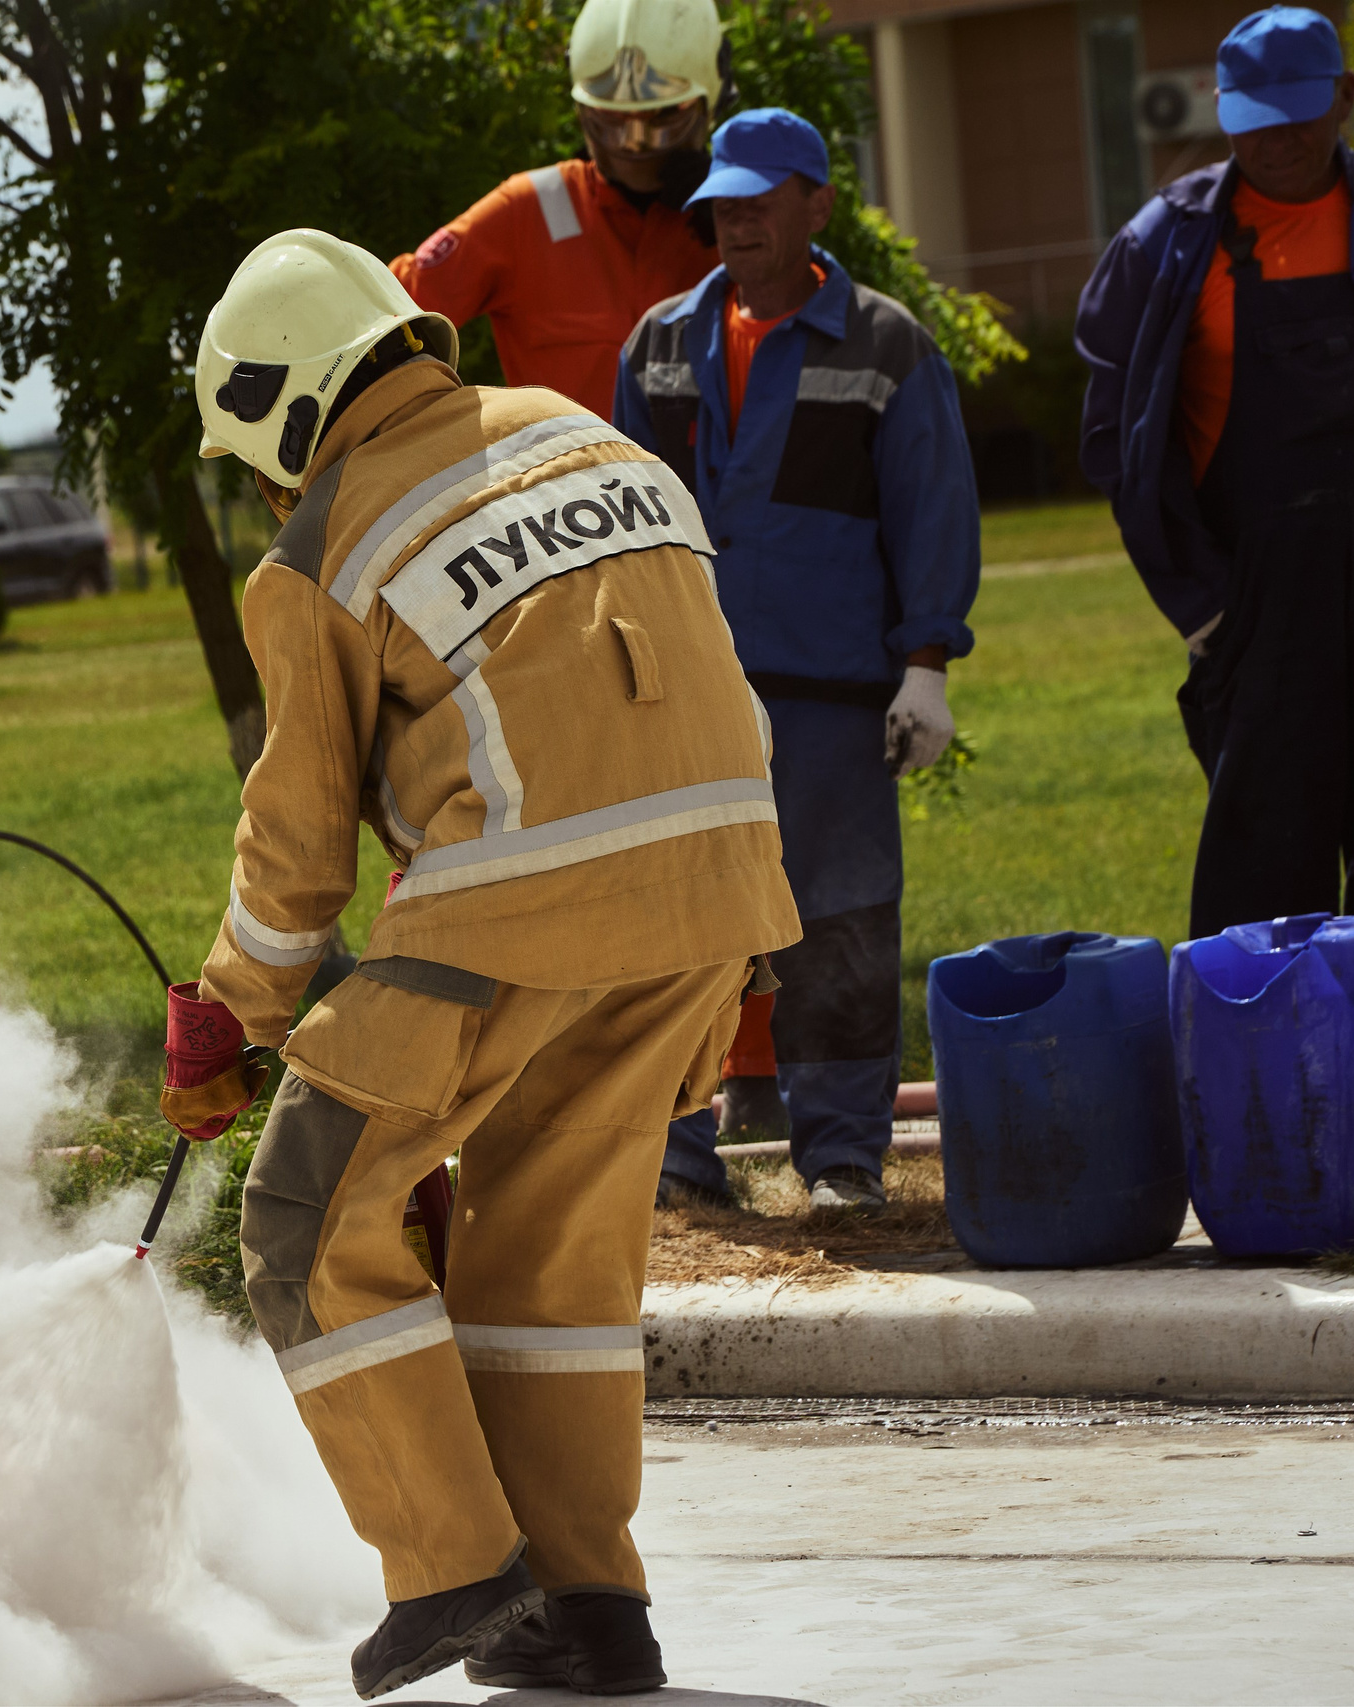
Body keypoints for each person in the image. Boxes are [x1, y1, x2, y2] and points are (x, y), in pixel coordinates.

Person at [161, 227, 798, 1699]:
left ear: (282, 407)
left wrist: (229, 1020)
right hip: (718, 896)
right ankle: (587, 1612)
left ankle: (451, 1566)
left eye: (256, 465)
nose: (267, 495)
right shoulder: (581, 434)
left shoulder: (321, 549)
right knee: (541, 1261)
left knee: (306, 1216)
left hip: (524, 904)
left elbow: (297, 851)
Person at [615, 109, 980, 1212]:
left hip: (831, 696)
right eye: (722, 205)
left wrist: (927, 666)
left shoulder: (884, 347)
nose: (737, 223)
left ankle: (841, 1159)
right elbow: (621, 522)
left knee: (840, 922)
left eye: (760, 203)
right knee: (678, 924)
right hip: (690, 696)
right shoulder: (658, 346)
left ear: (818, 204)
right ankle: (676, 1159)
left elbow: (932, 511)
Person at [1077, 6, 1354, 1034]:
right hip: (1261, 597)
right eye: (1253, 118)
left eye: (1298, 114)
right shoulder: (1164, 244)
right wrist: (1201, 607)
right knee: (1265, 859)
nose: (1276, 139)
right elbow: (1116, 439)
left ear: (1344, 98)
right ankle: (1262, 1085)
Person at [387, 0, 725, 417]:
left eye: (664, 116)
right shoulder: (529, 211)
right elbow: (383, 316)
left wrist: (735, 231)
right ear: (582, 108)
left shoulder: (737, 221)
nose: (634, 141)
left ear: (711, 99)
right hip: (569, 462)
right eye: (611, 118)